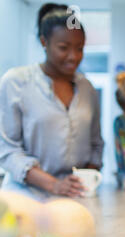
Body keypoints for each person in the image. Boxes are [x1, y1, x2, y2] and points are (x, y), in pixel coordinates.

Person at [0, 3, 104, 200]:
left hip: (74, 198)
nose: (74, 57)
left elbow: (96, 144)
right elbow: (7, 150)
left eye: (80, 48)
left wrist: (86, 179)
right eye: (63, 48)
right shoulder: (16, 82)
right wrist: (54, 185)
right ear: (44, 42)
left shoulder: (87, 88)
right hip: (26, 197)